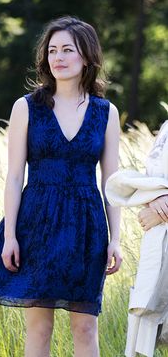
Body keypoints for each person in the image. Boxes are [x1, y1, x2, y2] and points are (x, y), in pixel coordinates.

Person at [0, 16, 122, 357]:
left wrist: (116, 240)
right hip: (36, 223)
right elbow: (15, 176)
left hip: (87, 227)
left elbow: (112, 183)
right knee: (39, 326)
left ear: (87, 58)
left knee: (86, 325)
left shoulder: (106, 113)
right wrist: (9, 236)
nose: (58, 57)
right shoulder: (26, 107)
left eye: (67, 50)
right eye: (52, 50)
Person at [105, 120, 168, 356]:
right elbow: (157, 180)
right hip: (160, 245)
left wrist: (160, 210)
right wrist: (154, 199)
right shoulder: (166, 127)